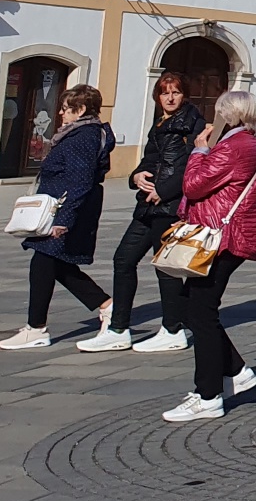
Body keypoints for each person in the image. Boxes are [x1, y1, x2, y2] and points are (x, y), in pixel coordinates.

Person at [161, 91, 256, 423]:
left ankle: (208, 394)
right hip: (230, 234)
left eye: (220, 112)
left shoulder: (235, 148)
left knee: (202, 312)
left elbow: (193, 185)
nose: (216, 117)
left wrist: (198, 150)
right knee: (192, 305)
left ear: (230, 115)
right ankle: (236, 371)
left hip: (220, 238)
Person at [81, 74, 200, 353]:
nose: (170, 98)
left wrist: (166, 190)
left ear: (184, 95)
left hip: (168, 206)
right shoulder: (159, 124)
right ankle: (118, 329)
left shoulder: (193, 124)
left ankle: (172, 330)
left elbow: (194, 165)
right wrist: (136, 176)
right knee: (123, 258)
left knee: (165, 265)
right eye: (164, 93)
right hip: (148, 203)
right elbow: (148, 160)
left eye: (176, 92)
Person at [1, 85, 114, 351]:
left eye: (65, 109)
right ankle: (108, 306)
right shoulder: (81, 133)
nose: (61, 113)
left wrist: (64, 219)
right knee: (56, 265)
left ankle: (36, 328)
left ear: (81, 110)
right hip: (63, 207)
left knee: (43, 263)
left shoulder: (83, 136)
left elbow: (81, 180)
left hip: (64, 210)